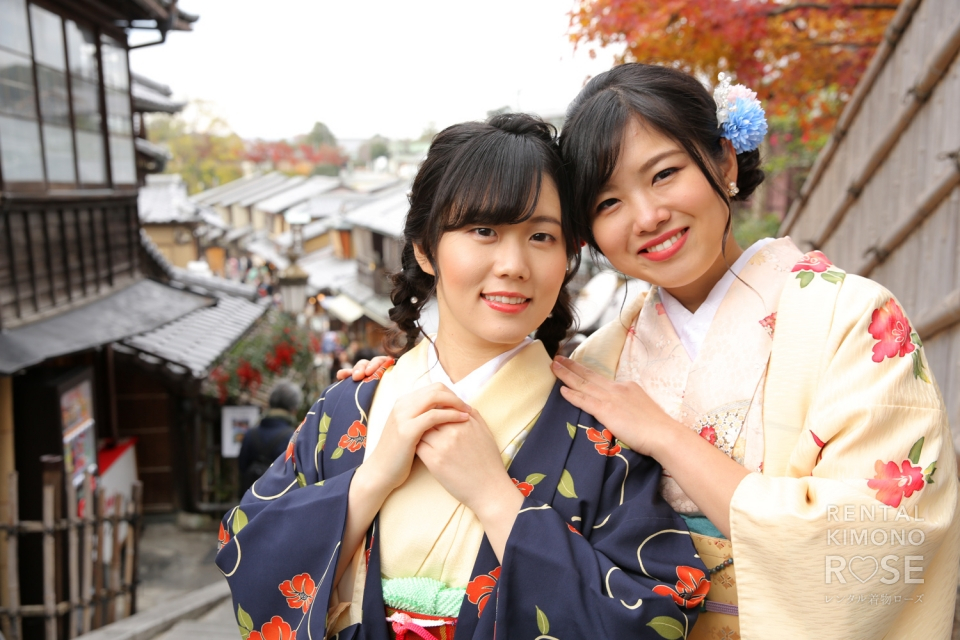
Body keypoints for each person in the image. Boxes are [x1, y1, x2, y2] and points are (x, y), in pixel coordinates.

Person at [216, 114, 707, 640]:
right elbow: (246, 554)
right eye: (484, 231)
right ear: (425, 249)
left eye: (541, 235)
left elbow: (659, 616)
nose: (514, 264)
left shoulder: (601, 425)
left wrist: (497, 499)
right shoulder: (348, 408)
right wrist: (370, 481)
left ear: (568, 256)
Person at [544, 63, 959, 639]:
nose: (647, 217)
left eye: (664, 173)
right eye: (608, 202)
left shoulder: (855, 319)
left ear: (724, 162)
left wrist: (665, 437)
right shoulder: (600, 365)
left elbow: (882, 546)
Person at [237, 380, 304, 496]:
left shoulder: (250, 435)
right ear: (294, 409)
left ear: (270, 403)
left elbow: (242, 467)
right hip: (279, 505)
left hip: (249, 504)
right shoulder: (292, 438)